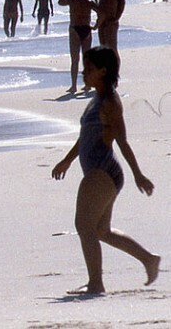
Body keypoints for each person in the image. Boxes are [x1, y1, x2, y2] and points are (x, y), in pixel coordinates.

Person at [51, 47, 160, 294]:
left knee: (84, 226)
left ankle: (96, 283)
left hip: (102, 171)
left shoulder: (110, 102)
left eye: (89, 69)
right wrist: (67, 160)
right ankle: (149, 259)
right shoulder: (97, 98)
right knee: (101, 230)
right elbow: (85, 137)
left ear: (103, 71)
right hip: (100, 172)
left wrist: (138, 174)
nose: (84, 73)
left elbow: (122, 140)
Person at [58, 0, 96, 93]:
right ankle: (88, 85)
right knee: (86, 59)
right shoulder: (89, 3)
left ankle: (74, 86)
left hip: (75, 29)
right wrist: (96, 25)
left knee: (75, 60)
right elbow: (101, 12)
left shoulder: (72, 1)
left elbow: (60, 2)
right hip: (86, 28)